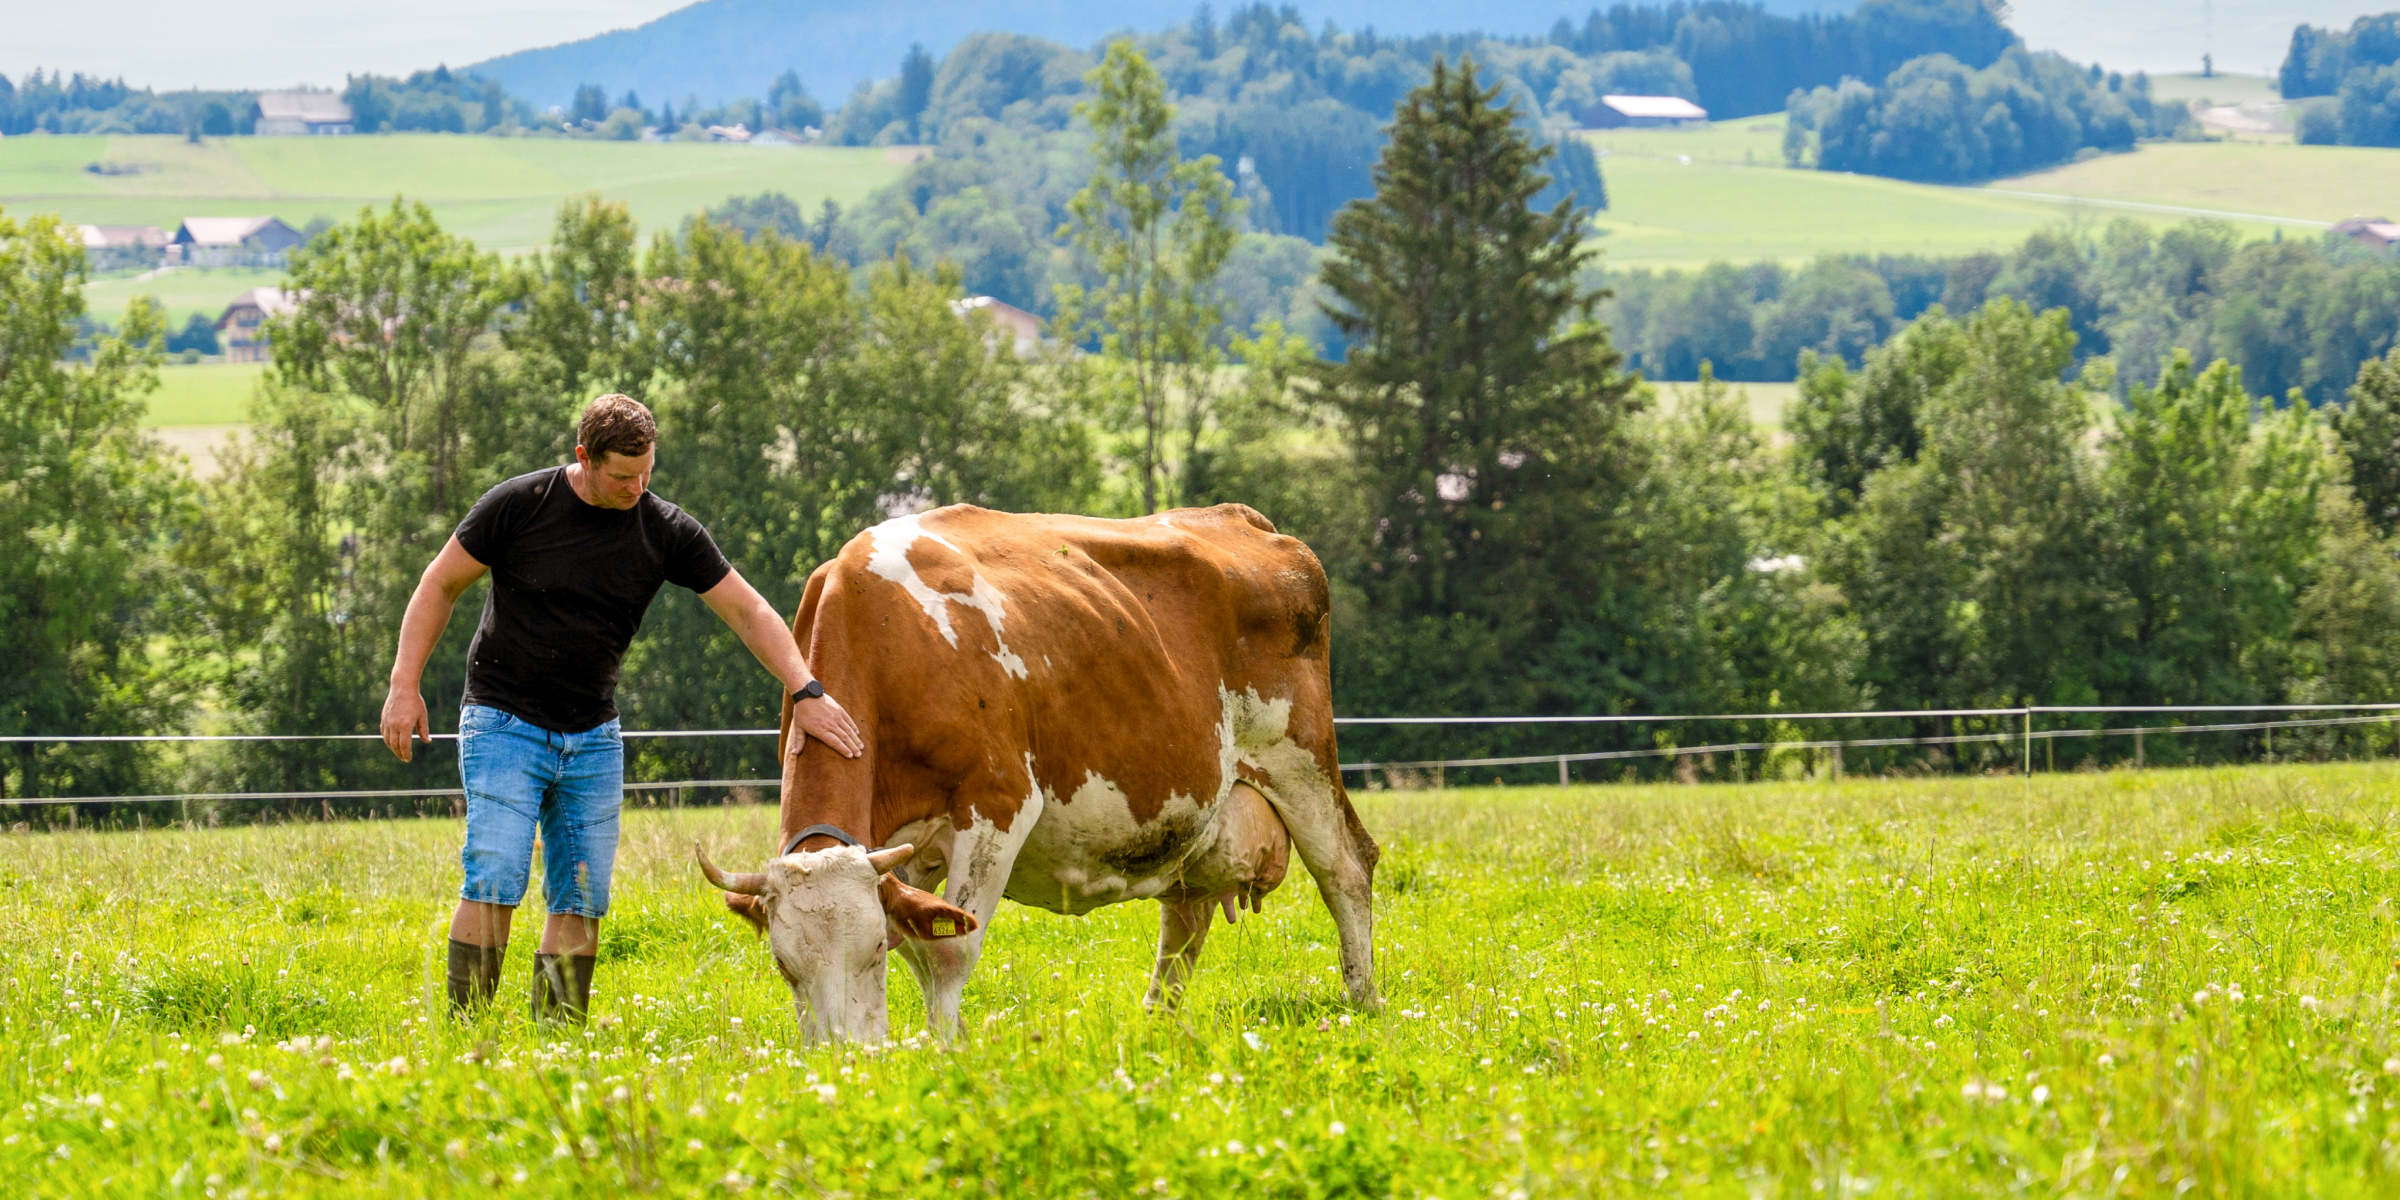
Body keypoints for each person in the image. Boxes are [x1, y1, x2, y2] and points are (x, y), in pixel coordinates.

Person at [380, 394, 864, 1021]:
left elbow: (748, 610)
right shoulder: (517, 506)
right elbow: (438, 585)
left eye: (647, 473)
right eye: (621, 476)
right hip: (502, 721)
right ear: (583, 457)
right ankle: (464, 1029)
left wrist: (806, 691)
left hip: (593, 736)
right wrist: (403, 684)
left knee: (582, 894)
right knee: (496, 874)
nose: (637, 487)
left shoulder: (665, 530)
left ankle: (555, 1037)